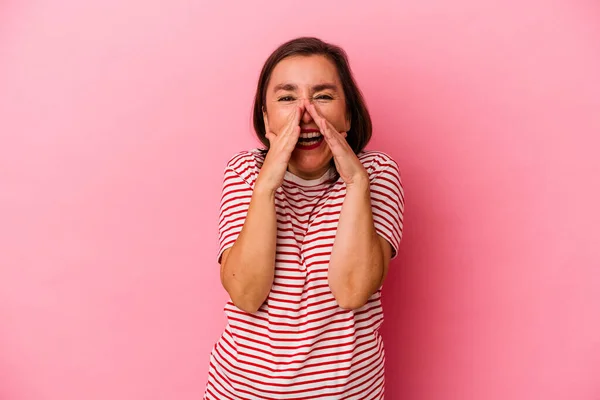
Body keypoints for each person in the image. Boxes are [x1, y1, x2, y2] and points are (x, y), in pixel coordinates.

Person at [203, 37, 405, 400]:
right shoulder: (244, 173)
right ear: (265, 117)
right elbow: (246, 294)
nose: (306, 113)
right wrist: (265, 187)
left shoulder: (377, 173)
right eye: (286, 98)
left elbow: (353, 291)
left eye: (324, 96)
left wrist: (356, 182)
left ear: (348, 114)